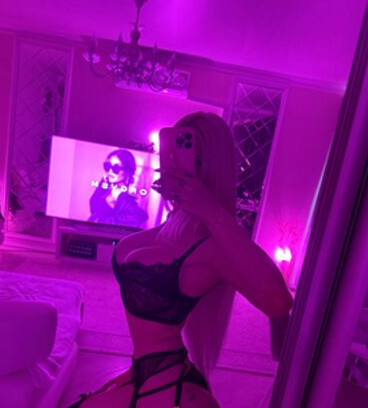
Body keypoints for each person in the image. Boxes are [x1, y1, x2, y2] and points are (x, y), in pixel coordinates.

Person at [72, 112, 293, 408]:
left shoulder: (211, 245)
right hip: (145, 372)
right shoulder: (172, 230)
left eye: (194, 159)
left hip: (173, 387)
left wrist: (213, 212)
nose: (177, 164)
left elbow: (279, 302)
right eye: (174, 152)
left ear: (211, 167)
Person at [89, 149, 148, 228]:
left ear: (127, 172)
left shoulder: (124, 195)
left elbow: (136, 218)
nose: (110, 171)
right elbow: (93, 204)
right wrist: (103, 182)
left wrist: (99, 221)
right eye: (108, 166)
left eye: (116, 168)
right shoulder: (108, 185)